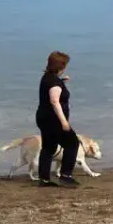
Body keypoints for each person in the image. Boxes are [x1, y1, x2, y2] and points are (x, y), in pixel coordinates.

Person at [37, 50, 81, 187]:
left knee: (48, 147)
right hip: (53, 120)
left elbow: (51, 90)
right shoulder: (54, 82)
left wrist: (61, 81)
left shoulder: (48, 77)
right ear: (61, 66)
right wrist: (64, 122)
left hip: (43, 117)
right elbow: (54, 101)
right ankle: (66, 176)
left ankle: (44, 179)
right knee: (72, 143)